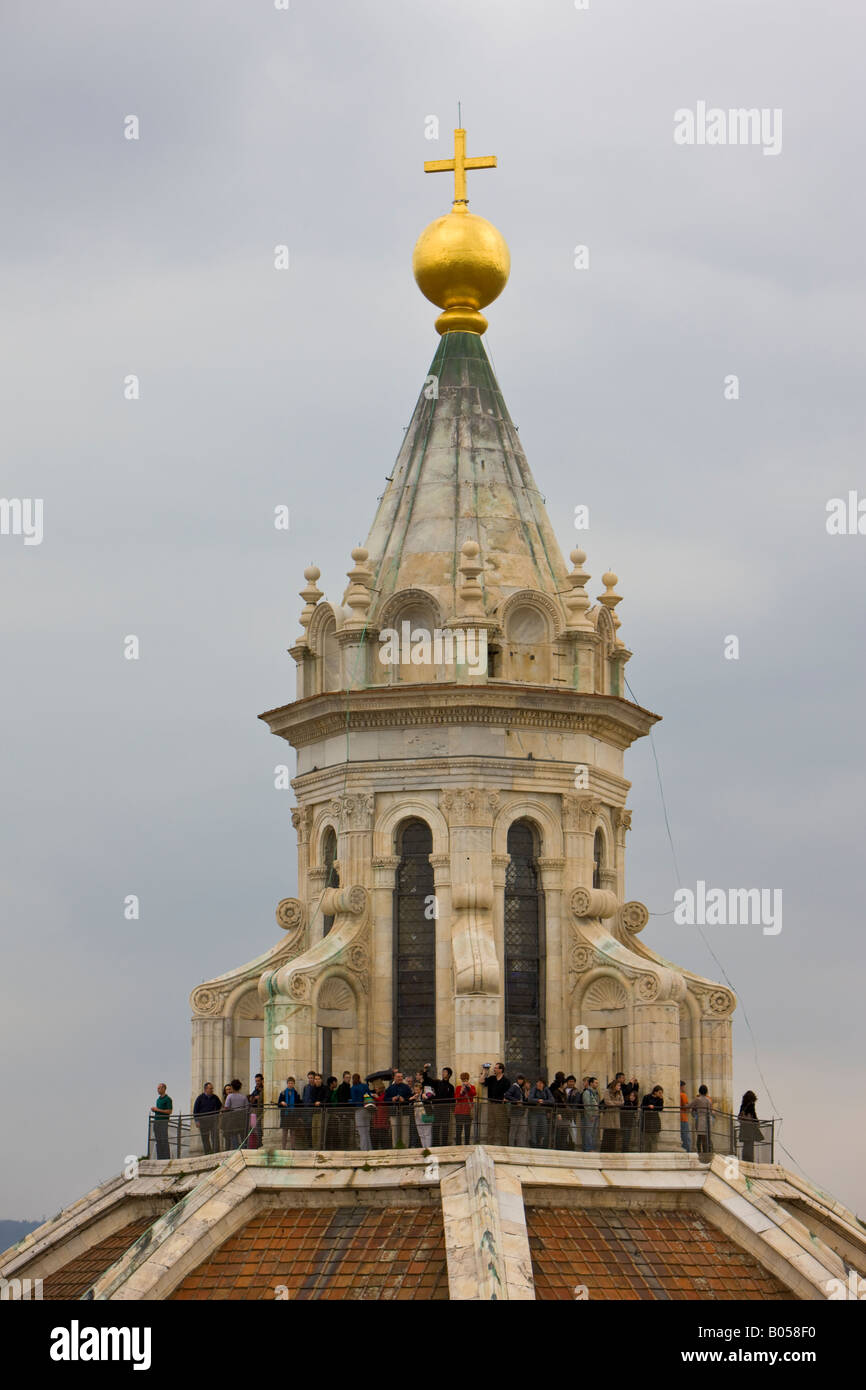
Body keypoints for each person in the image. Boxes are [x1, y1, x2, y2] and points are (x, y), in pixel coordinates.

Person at [423, 1064, 455, 1147]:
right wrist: (425, 1070)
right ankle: (435, 1145)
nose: (443, 1073)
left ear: (449, 1074)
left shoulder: (451, 1087)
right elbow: (427, 1080)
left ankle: (444, 1145)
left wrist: (452, 1108)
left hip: (446, 1110)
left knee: (445, 1128)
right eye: (443, 1072)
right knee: (436, 1127)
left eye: (445, 1072)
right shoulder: (437, 1083)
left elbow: (452, 1099)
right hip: (437, 1109)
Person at [480, 1062, 510, 1145]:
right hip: (491, 1105)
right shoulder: (492, 1078)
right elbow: (481, 1081)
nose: (494, 1069)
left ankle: (504, 1145)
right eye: (494, 1068)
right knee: (491, 1125)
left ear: (501, 1070)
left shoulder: (506, 1081)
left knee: (502, 1126)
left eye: (496, 1068)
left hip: (500, 1106)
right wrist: (484, 1071)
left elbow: (508, 1094)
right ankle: (490, 1145)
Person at [384, 1070, 412, 1147]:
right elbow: (385, 1099)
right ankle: (395, 1148)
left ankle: (405, 1148)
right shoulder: (390, 1088)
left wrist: (404, 1100)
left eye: (401, 1077)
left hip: (405, 1111)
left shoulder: (406, 1087)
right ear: (394, 1077)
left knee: (405, 1131)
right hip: (393, 1112)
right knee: (394, 1131)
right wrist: (391, 1099)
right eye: (398, 1077)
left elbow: (410, 1098)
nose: (400, 1078)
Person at [193, 1082, 221, 1155]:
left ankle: (216, 1152)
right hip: (203, 1122)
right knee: (205, 1138)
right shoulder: (200, 1098)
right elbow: (195, 1110)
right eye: (210, 1088)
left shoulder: (215, 1098)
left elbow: (220, 1107)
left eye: (212, 1088)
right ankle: (208, 1153)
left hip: (213, 1121)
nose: (212, 1090)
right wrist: (196, 1121)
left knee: (215, 1137)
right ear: (205, 1089)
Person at [525, 1078, 554, 1147]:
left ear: (543, 1084)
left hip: (543, 1113)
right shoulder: (534, 1089)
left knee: (544, 1129)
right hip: (533, 1113)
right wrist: (538, 1100)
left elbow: (552, 1100)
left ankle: (542, 1144)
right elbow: (530, 1099)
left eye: (540, 1083)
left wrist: (543, 1101)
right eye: (538, 1082)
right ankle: (533, 1145)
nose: (538, 1084)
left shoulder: (546, 1090)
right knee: (533, 1129)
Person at [223, 1079, 250, 1150]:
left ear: (232, 1087)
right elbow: (247, 1108)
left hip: (233, 1119)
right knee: (243, 1136)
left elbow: (226, 1107)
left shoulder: (230, 1096)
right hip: (242, 1118)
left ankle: (236, 1150)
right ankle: (244, 1149)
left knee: (234, 1136)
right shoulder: (244, 1097)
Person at [350, 1073, 374, 1151]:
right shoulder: (365, 1086)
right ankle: (369, 1148)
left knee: (361, 1132)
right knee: (367, 1131)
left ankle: (364, 1150)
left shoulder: (353, 1088)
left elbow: (354, 1100)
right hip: (367, 1110)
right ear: (360, 1078)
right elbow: (369, 1096)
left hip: (359, 1110)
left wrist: (348, 1101)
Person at [737, 1091, 763, 1163]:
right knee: (750, 1145)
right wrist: (757, 1122)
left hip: (743, 1128)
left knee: (745, 1145)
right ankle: (750, 1160)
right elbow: (753, 1115)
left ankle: (744, 1159)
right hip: (749, 1128)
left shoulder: (742, 1106)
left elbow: (739, 1117)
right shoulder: (751, 1105)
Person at [503, 1074, 528, 1147]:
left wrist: (526, 1095)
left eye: (522, 1079)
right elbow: (507, 1095)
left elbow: (524, 1100)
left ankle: (519, 1146)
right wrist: (516, 1101)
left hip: (521, 1112)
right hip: (515, 1112)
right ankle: (511, 1146)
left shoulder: (522, 1088)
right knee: (513, 1130)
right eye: (519, 1079)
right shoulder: (514, 1087)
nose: (520, 1081)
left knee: (521, 1131)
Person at [600, 1078, 624, 1153]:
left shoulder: (620, 1092)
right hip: (609, 1115)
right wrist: (617, 1103)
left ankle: (612, 1150)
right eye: (618, 1085)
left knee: (614, 1134)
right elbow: (607, 1102)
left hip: (616, 1115)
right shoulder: (607, 1091)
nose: (619, 1087)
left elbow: (622, 1102)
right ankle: (605, 1150)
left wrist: (614, 1103)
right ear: (614, 1086)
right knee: (607, 1133)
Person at [277, 1076, 301, 1150]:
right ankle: (283, 1148)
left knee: (293, 1133)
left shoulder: (296, 1094)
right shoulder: (283, 1093)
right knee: (284, 1132)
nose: (290, 1084)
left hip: (293, 1115)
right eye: (289, 1083)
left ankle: (293, 1148)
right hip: (285, 1115)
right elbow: (278, 1104)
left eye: (292, 1083)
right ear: (287, 1084)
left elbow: (298, 1106)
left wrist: (299, 1116)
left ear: (294, 1084)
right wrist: (282, 1102)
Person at [151, 1083, 173, 1160]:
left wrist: (157, 1110)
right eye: (157, 1088)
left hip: (163, 1122)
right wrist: (155, 1110)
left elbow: (169, 1111)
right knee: (158, 1140)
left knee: (164, 1139)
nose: (158, 1090)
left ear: (164, 1088)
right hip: (157, 1122)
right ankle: (160, 1157)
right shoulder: (158, 1099)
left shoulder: (168, 1099)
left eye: (159, 1088)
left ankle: (166, 1157)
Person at [453, 1074, 476, 1145]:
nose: (464, 1081)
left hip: (468, 1112)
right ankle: (458, 1146)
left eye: (465, 1080)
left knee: (467, 1131)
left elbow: (474, 1094)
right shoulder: (458, 1087)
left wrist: (469, 1088)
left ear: (468, 1079)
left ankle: (467, 1145)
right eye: (463, 1080)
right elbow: (456, 1098)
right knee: (458, 1131)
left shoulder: (472, 1087)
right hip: (459, 1112)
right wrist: (461, 1091)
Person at [691, 1085, 713, 1157]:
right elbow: (710, 1110)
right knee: (705, 1137)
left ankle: (701, 1153)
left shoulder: (698, 1099)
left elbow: (690, 1105)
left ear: (699, 1091)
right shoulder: (708, 1100)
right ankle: (705, 1153)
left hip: (701, 1119)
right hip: (708, 1119)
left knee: (700, 1137)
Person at [641, 1085, 664, 1152]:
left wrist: (661, 1099)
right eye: (659, 1092)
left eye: (661, 1093)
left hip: (655, 1119)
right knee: (647, 1139)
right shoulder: (646, 1097)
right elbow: (642, 1106)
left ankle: (654, 1153)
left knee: (654, 1139)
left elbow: (660, 1108)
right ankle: (646, 1153)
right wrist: (648, 1106)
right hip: (647, 1119)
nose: (661, 1094)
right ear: (655, 1092)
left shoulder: (659, 1099)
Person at [413, 1083, 436, 1148]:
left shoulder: (425, 1092)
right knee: (421, 1134)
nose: (416, 1091)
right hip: (417, 1116)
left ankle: (428, 1148)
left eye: (418, 1090)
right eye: (415, 1090)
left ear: (421, 1089)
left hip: (427, 1114)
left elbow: (431, 1095)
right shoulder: (414, 1096)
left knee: (427, 1133)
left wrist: (426, 1096)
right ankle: (424, 1147)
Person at [581, 1077, 600, 1151]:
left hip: (596, 1115)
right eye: (595, 1083)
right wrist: (590, 1115)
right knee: (589, 1132)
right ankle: (588, 1148)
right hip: (590, 1116)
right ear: (591, 1083)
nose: (597, 1084)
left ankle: (592, 1147)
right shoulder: (586, 1092)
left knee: (594, 1132)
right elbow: (587, 1105)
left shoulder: (596, 1092)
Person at [371, 1079, 391, 1149]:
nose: (375, 1089)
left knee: (384, 1139)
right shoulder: (378, 1095)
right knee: (376, 1138)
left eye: (376, 1088)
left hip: (383, 1119)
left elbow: (382, 1101)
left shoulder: (385, 1094)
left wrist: (376, 1098)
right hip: (377, 1119)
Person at [621, 1079, 639, 1153]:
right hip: (624, 1122)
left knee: (628, 1137)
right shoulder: (626, 1102)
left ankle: (626, 1149)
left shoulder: (634, 1104)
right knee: (625, 1136)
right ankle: (624, 1150)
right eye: (631, 1095)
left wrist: (636, 1084)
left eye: (633, 1096)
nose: (632, 1097)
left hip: (630, 1123)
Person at [248, 1073, 264, 1145]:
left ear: (262, 1081)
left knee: (258, 1127)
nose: (257, 1082)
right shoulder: (255, 1089)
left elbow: (261, 1099)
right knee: (253, 1128)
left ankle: (260, 1143)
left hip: (259, 1111)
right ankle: (255, 1144)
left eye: (258, 1081)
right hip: (253, 1111)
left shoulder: (263, 1089)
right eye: (256, 1081)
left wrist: (256, 1097)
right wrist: (253, 1098)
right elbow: (251, 1099)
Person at [679, 1081, 692, 1154]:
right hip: (683, 1117)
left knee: (683, 1134)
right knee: (686, 1135)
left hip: (680, 1117)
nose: (684, 1088)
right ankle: (687, 1151)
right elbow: (686, 1106)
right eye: (684, 1086)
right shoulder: (683, 1095)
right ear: (681, 1087)